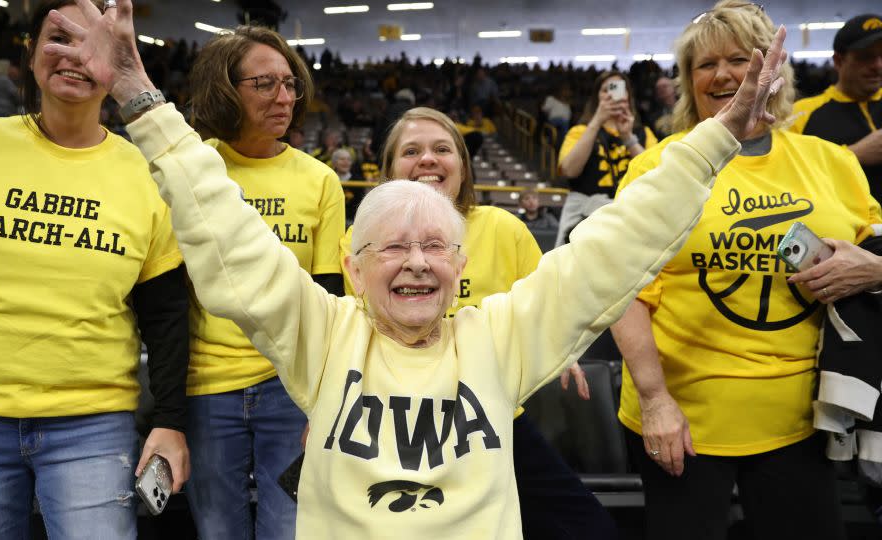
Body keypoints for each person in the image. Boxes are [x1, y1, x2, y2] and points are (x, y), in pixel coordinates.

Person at [46, 0, 786, 536]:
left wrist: (715, 139)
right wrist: (140, 98)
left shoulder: (500, 338)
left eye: (434, 247)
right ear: (352, 266)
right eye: (391, 248)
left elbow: (615, 244)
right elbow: (225, 226)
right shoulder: (322, 334)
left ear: (460, 264)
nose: (415, 264)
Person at [610, 4, 881, 539]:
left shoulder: (833, 162)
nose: (724, 74)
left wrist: (873, 268)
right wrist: (655, 401)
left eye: (741, 58)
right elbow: (623, 291)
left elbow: (875, 255)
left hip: (804, 421)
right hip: (684, 423)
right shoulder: (657, 168)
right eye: (705, 64)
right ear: (689, 82)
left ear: (773, 71)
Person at [0, 1, 191, 538]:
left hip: (91, 425)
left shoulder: (146, 174)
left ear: (116, 62)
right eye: (58, 39)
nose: (73, 57)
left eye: (91, 43)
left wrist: (170, 422)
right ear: (30, 52)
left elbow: (166, 316)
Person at [338, 106, 614, 538]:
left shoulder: (504, 228)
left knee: (589, 528)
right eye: (411, 151)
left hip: (489, 423)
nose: (428, 159)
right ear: (387, 171)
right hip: (396, 425)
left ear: (463, 168)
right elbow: (350, 336)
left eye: (442, 149)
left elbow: (544, 309)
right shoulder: (360, 243)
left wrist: (560, 349)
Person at [182, 24, 345, 540]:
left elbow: (329, 298)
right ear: (226, 89)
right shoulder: (193, 169)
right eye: (266, 84)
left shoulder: (319, 180)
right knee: (216, 532)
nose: (286, 98)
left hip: (290, 390)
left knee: (291, 531)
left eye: (291, 83)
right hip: (206, 388)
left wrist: (326, 399)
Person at [554, 70, 657, 246]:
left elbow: (657, 175)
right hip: (584, 219)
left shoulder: (644, 134)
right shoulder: (579, 131)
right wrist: (597, 121)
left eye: (618, 88)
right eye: (605, 89)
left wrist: (628, 137)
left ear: (628, 95)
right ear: (597, 98)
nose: (612, 94)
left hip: (630, 218)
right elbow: (569, 170)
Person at [790, 13, 882, 202]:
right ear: (839, 61)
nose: (878, 66)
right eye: (866, 57)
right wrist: (853, 155)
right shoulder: (800, 114)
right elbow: (787, 178)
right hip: (841, 230)